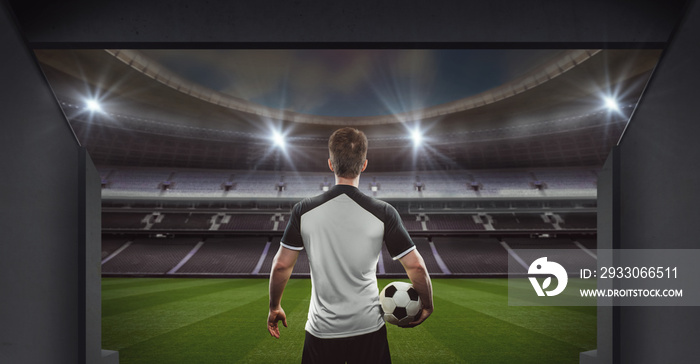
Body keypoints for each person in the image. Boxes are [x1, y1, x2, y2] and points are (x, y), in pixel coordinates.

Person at [267, 127, 433, 364]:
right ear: (364, 164)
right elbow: (416, 267)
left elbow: (281, 266)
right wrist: (427, 304)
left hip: (321, 331)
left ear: (330, 164)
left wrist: (275, 306)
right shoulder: (384, 212)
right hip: (369, 330)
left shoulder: (303, 210)